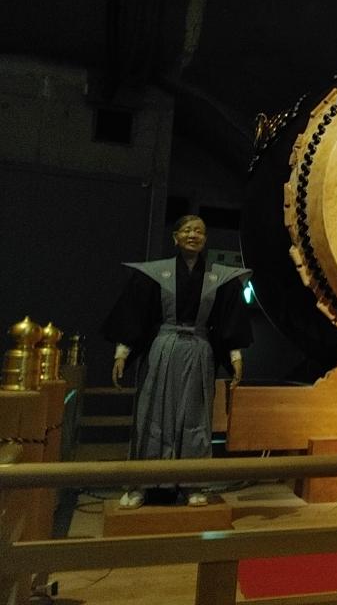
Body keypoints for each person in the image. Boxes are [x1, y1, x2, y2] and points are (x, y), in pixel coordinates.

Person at [103, 215, 253, 508]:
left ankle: (192, 484)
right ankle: (141, 485)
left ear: (205, 239)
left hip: (199, 351)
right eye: (187, 230)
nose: (193, 235)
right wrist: (122, 352)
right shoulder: (156, 274)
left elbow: (229, 320)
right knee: (152, 413)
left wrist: (235, 356)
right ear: (175, 237)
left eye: (199, 231)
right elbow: (135, 314)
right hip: (163, 349)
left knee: (195, 417)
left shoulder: (218, 278)